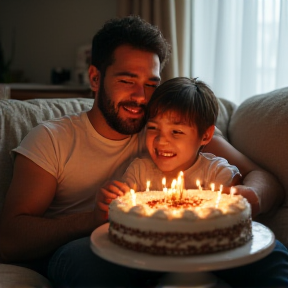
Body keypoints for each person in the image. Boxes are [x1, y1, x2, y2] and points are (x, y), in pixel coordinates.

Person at [0, 15, 287, 288]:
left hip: (169, 243)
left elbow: (263, 178)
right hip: (84, 248)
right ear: (95, 78)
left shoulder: (168, 128)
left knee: (269, 253)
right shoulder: (52, 139)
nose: (140, 97)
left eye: (151, 84)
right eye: (127, 81)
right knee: (87, 261)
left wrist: (252, 196)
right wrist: (92, 219)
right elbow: (9, 240)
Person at [102, 76, 242, 196]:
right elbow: (122, 210)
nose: (161, 140)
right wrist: (110, 201)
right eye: (153, 128)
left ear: (205, 136)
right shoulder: (139, 172)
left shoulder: (217, 174)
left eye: (176, 131)